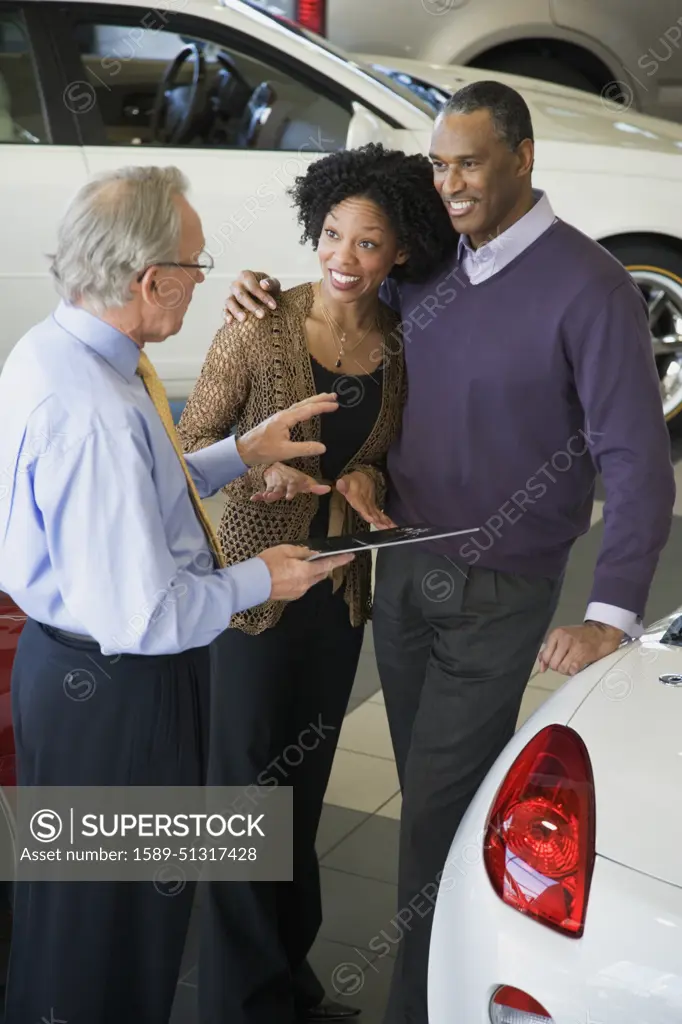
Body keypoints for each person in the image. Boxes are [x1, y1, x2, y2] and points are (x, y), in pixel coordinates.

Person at [222, 81, 676, 1024]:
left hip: (502, 587)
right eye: (440, 164)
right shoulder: (426, 266)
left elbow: (637, 456)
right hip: (401, 570)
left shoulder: (588, 286)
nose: (452, 181)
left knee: (436, 812)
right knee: (437, 804)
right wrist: (258, 290)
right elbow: (341, 292)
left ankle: (421, 1008)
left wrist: (610, 615)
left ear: (523, 156)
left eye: (469, 161)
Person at [0, 165, 359, 1024]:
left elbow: (135, 503)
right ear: (146, 279)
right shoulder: (96, 413)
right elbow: (145, 612)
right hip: (122, 692)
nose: (204, 286)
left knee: (63, 912)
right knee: (118, 936)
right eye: (195, 269)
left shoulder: (58, 349)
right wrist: (262, 576)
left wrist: (239, 450)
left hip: (67, 679)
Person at [176, 143, 456, 1024]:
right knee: (242, 809)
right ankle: (239, 1004)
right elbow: (188, 463)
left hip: (336, 602)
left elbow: (375, 460)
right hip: (253, 600)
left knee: (298, 800)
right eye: (332, 234)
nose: (343, 258)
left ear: (402, 251)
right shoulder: (258, 322)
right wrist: (264, 479)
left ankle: (286, 986)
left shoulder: (400, 346)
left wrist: (367, 481)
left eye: (368, 244)